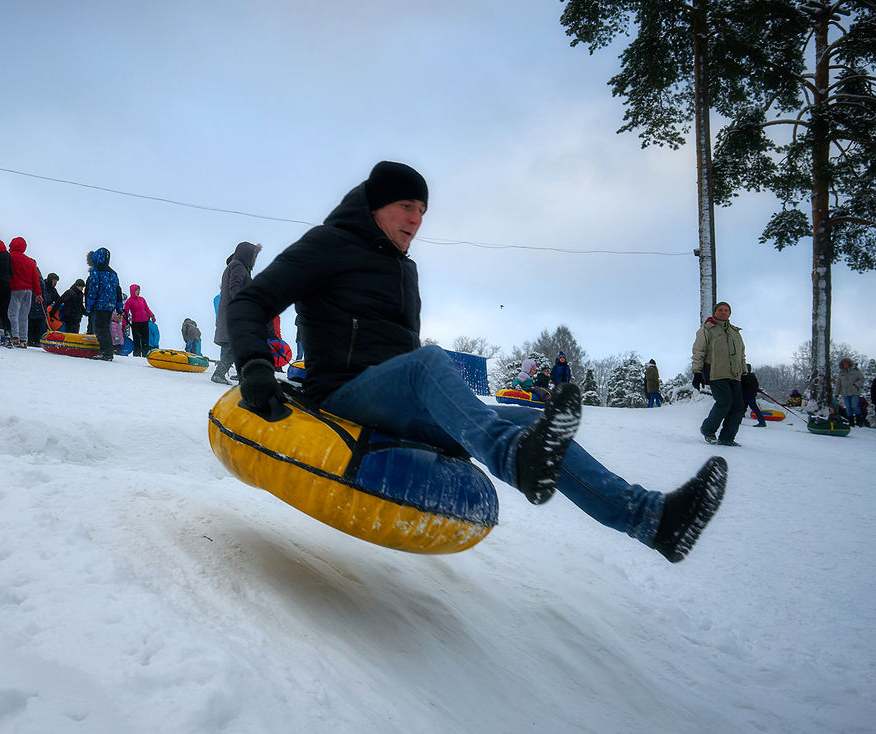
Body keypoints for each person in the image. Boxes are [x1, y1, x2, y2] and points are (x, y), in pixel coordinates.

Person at [226, 161, 728, 563]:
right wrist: (253, 364)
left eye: (422, 210)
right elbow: (252, 300)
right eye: (406, 206)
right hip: (343, 393)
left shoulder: (403, 269)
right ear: (377, 206)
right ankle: (512, 458)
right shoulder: (327, 244)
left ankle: (652, 519)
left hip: (396, 403)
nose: (416, 220)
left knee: (533, 419)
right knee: (430, 362)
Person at [691, 301, 746, 446]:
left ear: (730, 313)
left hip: (734, 374)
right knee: (724, 402)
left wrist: (744, 373)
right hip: (716, 373)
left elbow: (741, 355)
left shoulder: (735, 332)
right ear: (715, 312)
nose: (723, 312)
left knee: (738, 407)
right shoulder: (707, 329)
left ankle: (727, 438)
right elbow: (698, 351)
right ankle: (708, 430)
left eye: (726, 310)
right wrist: (697, 372)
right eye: (720, 310)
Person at [212, 241, 261, 384]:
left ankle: (234, 376)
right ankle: (239, 377)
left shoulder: (235, 266)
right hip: (236, 313)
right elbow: (235, 288)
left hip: (233, 311)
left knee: (238, 345)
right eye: (253, 256)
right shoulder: (238, 266)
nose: (254, 260)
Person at [84, 247, 122, 360]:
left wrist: (89, 304)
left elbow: (93, 288)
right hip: (110, 305)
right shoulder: (113, 273)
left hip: (100, 304)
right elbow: (118, 290)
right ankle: (108, 351)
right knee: (106, 327)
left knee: (100, 328)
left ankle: (106, 353)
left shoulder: (96, 271)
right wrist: (119, 307)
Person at [8, 236, 42, 348]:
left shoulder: (10, 257)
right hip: (28, 291)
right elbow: (35, 279)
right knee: (24, 316)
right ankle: (24, 340)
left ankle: (15, 337)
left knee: (13, 314)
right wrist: (38, 294)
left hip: (15, 289)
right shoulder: (31, 262)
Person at [123, 283, 156, 356]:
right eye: (137, 290)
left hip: (144, 322)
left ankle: (145, 355)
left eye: (139, 290)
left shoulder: (142, 299)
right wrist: (124, 325)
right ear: (132, 291)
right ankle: (137, 355)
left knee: (145, 339)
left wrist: (152, 315)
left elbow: (147, 309)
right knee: (137, 340)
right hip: (136, 323)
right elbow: (125, 313)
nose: (138, 291)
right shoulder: (129, 301)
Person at [834, 357, 866, 426]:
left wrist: (856, 385)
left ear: (849, 364)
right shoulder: (841, 373)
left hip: (855, 392)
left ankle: (859, 421)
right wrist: (836, 394)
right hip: (845, 393)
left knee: (854, 405)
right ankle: (851, 423)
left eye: (845, 364)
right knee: (848, 408)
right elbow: (838, 384)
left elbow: (862, 379)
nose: (844, 365)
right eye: (843, 364)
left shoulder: (855, 371)